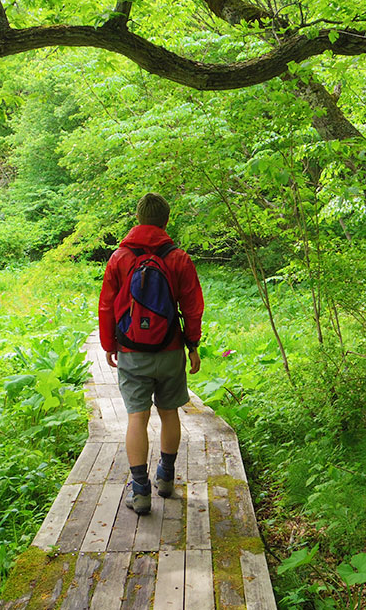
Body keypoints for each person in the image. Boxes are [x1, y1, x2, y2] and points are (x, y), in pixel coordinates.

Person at [98, 193, 204, 515]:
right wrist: (192, 345)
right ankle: (166, 479)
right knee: (170, 412)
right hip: (170, 349)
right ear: (166, 220)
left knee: (137, 417)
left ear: (138, 218)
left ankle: (140, 492)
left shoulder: (119, 258)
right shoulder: (178, 258)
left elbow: (106, 305)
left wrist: (109, 345)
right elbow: (192, 307)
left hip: (132, 351)